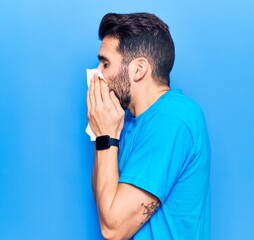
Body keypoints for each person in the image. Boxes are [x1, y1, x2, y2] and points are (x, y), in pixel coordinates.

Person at [87, 12, 210, 240]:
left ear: (138, 69)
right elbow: (105, 204)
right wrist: (101, 131)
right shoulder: (126, 124)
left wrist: (105, 135)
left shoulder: (172, 118)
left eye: (105, 64)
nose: (96, 74)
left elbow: (113, 228)